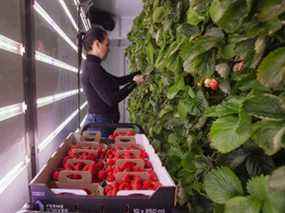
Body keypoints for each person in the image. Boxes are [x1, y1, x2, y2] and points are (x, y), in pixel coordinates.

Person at [78, 27, 145, 138]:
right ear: (97, 44)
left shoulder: (92, 65)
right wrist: (134, 83)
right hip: (99, 125)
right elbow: (111, 100)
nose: (108, 49)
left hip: (100, 122)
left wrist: (137, 74)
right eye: (107, 44)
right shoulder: (93, 68)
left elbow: (116, 81)